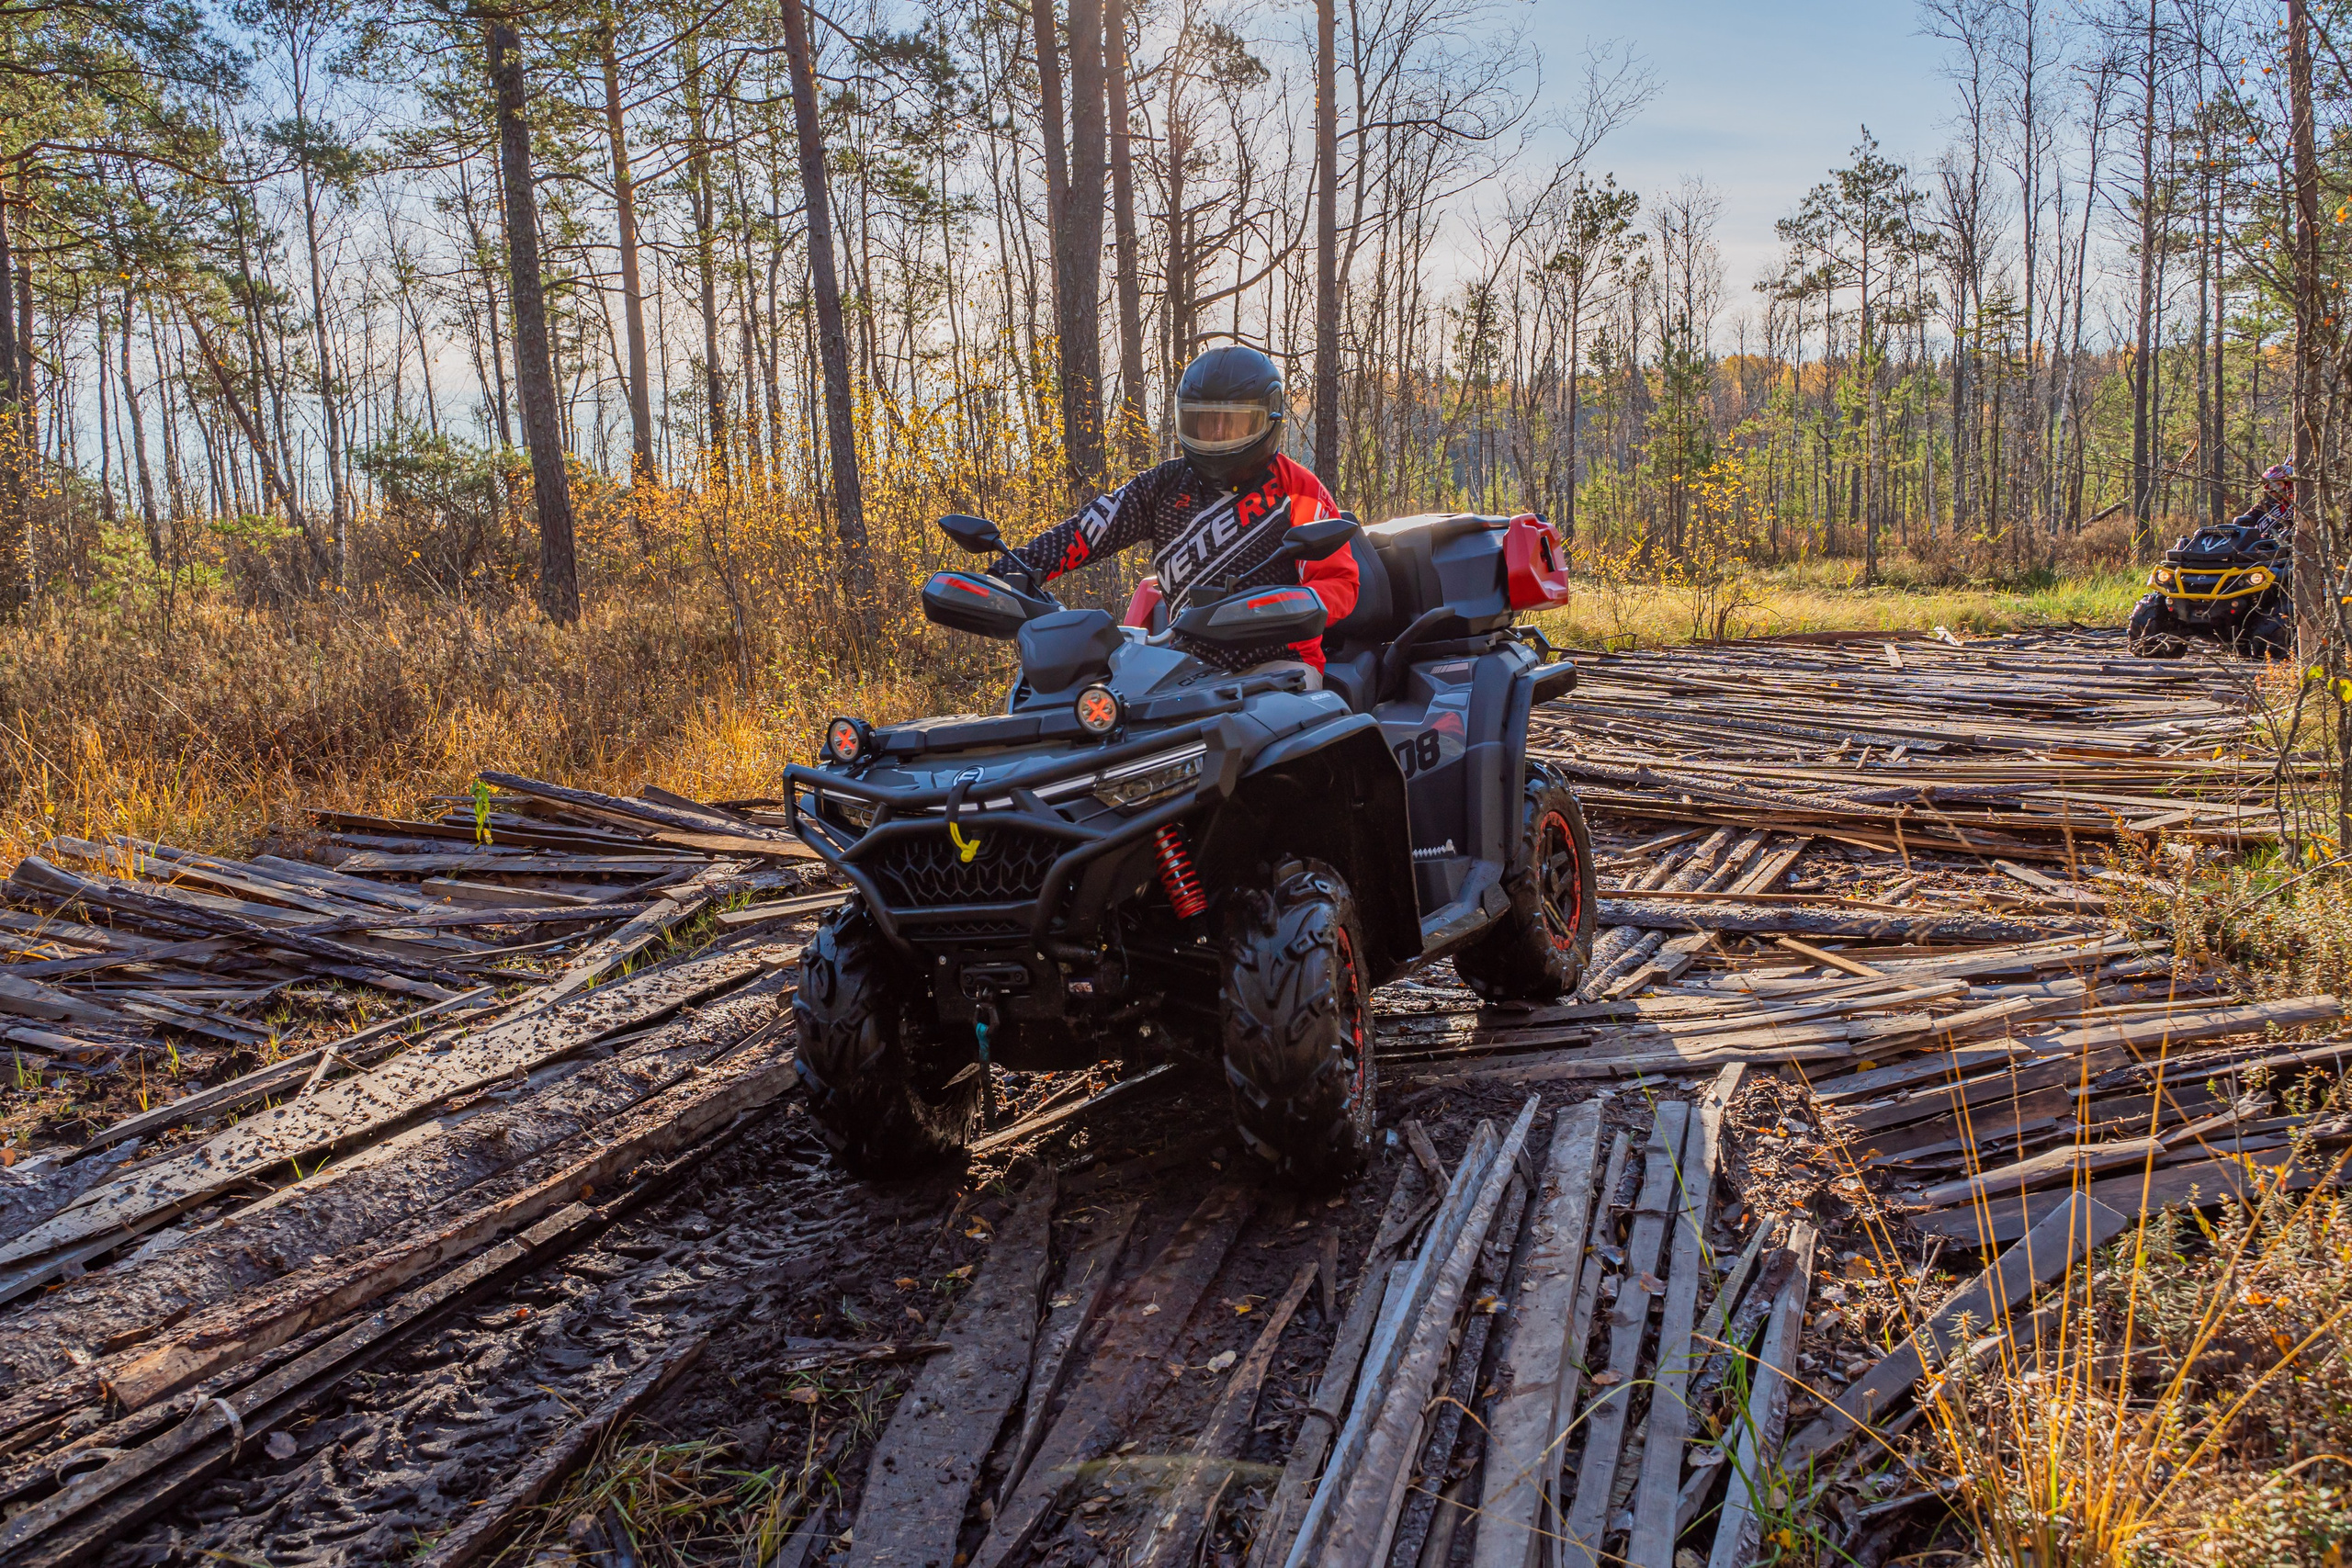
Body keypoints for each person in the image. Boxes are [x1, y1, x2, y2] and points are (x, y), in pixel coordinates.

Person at [1007, 344, 1356, 687]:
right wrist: (1016, 568)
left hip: (1280, 664)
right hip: (1184, 669)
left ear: (1269, 419)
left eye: (1232, 425)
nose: (1218, 436)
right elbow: (1089, 529)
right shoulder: (1163, 485)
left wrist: (1276, 609)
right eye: (1205, 423)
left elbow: (1341, 583)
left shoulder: (1297, 488)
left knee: (1259, 715)